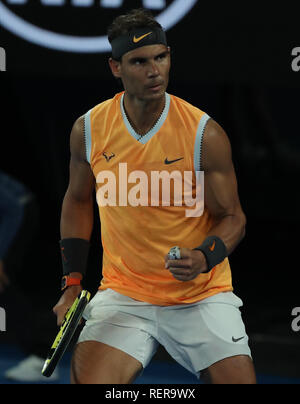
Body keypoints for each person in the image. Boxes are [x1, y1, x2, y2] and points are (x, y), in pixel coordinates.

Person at [53, 8, 257, 384]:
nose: (154, 71)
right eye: (139, 61)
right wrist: (73, 283)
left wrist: (203, 257)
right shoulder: (89, 129)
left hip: (200, 294)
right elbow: (78, 201)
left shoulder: (204, 134)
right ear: (116, 68)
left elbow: (234, 218)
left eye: (161, 57)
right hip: (124, 293)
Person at [0, 170, 59, 382]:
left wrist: (1, 258)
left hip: (18, 212)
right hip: (11, 212)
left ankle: (41, 359)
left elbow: (14, 208)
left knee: (3, 284)